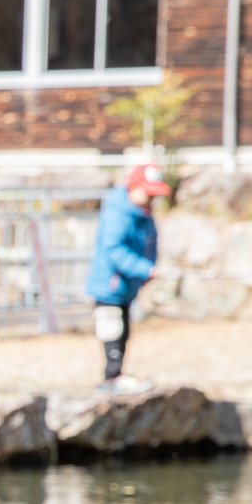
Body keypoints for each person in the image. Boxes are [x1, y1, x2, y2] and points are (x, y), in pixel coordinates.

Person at [84, 162, 172, 395]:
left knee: (123, 331)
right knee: (111, 329)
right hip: (109, 285)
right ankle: (112, 378)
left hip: (127, 286)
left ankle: (118, 375)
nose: (152, 199)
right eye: (148, 193)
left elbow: (149, 245)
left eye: (155, 194)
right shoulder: (118, 213)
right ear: (133, 187)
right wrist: (144, 268)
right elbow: (114, 250)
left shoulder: (143, 214)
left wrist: (148, 270)